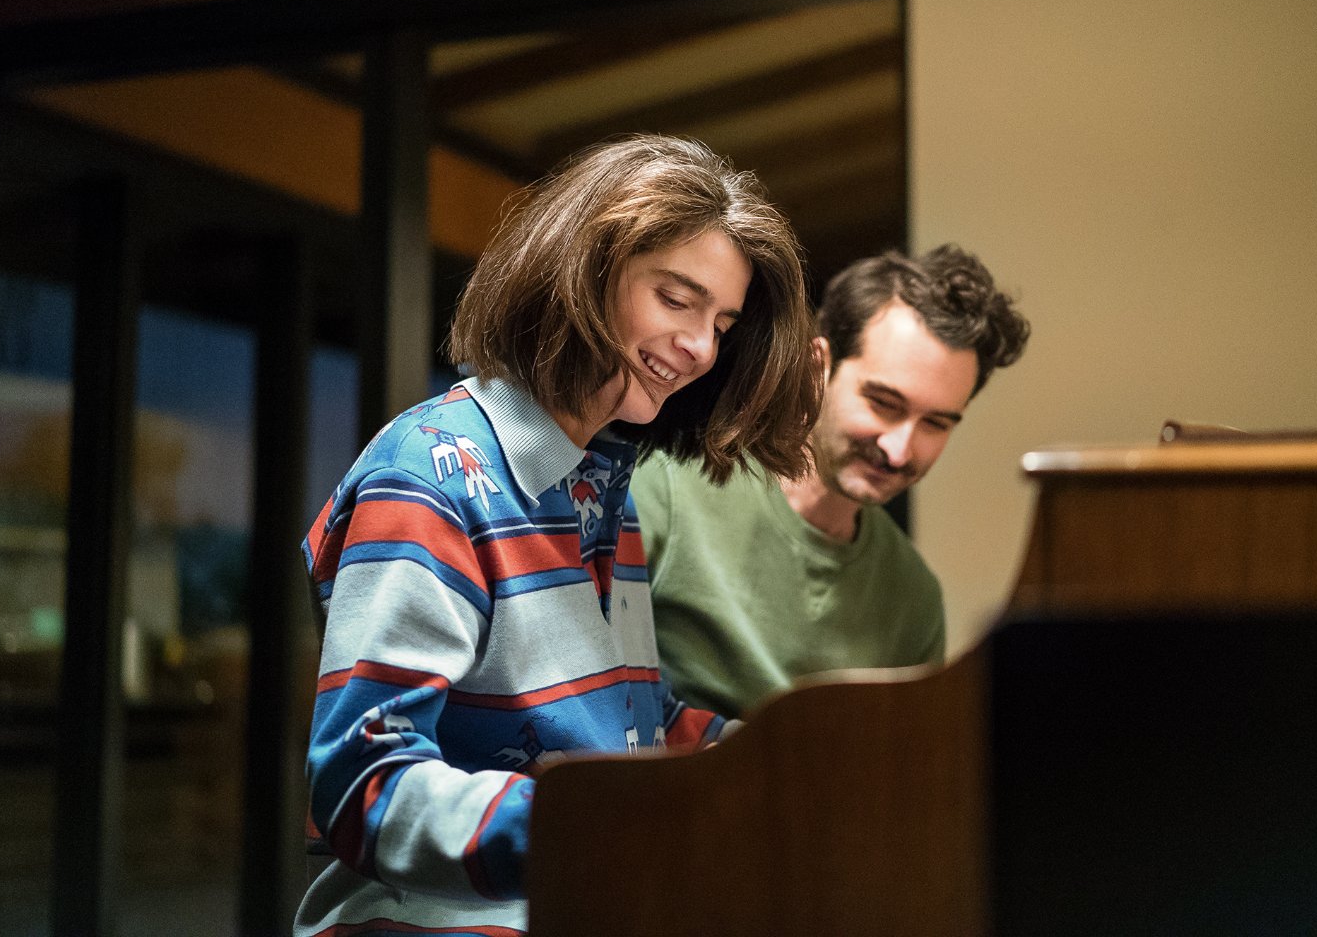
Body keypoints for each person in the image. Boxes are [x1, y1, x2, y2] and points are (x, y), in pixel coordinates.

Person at [294, 134, 821, 936]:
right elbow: (363, 784)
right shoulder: (430, 476)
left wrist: (797, 759)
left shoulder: (606, 491)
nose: (700, 348)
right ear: (583, 271)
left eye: (721, 322)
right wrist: (601, 820)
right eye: (675, 300)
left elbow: (631, 727)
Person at [633, 244, 1030, 718]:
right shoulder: (667, 486)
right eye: (884, 403)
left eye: (936, 424)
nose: (900, 449)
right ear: (817, 366)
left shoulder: (913, 598)